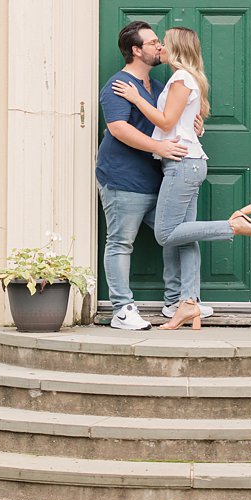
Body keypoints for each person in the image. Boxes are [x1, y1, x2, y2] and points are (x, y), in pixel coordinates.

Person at [112, 26, 251, 330]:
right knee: (186, 236)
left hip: (183, 165)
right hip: (189, 162)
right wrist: (194, 128)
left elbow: (166, 120)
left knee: (166, 233)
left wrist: (135, 98)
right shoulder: (181, 79)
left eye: (163, 43)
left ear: (176, 48)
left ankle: (232, 225)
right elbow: (182, 123)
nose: (159, 47)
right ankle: (188, 304)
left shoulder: (182, 79)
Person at [97, 20, 191, 330]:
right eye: (152, 43)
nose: (159, 46)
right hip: (124, 179)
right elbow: (118, 128)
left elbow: (168, 119)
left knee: (175, 237)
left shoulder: (160, 85)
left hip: (159, 179)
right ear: (136, 51)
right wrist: (159, 148)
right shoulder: (117, 86)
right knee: (121, 242)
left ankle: (174, 303)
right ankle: (122, 310)